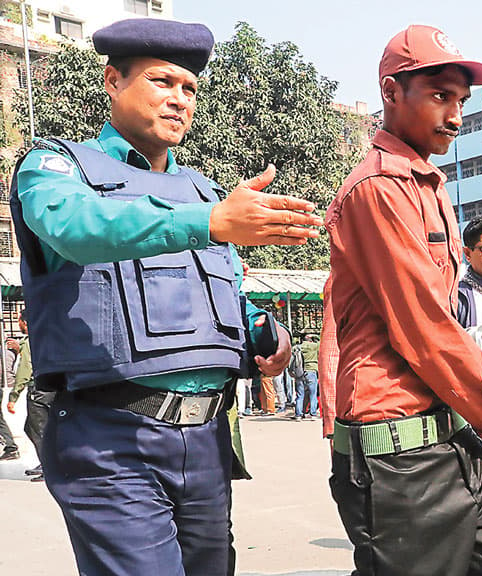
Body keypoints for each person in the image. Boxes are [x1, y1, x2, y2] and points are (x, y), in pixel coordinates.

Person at [9, 18, 318, 574]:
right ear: (112, 81)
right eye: (161, 81)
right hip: (109, 438)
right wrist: (214, 220)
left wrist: (265, 334)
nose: (179, 99)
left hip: (205, 442)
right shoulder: (57, 168)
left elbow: (222, 294)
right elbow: (80, 228)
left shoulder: (202, 193)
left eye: (189, 88)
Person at [322, 25, 482, 575]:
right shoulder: (377, 190)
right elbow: (424, 327)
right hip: (399, 457)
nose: (456, 116)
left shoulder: (427, 184)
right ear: (391, 93)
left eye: (462, 101)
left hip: (453, 439)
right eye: (441, 96)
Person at [6, 310, 48, 480]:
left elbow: (24, 371)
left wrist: (13, 397)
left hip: (37, 390)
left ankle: (49, 468)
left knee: (39, 430)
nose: (18, 325)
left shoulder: (30, 342)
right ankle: (47, 463)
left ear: (25, 322)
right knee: (33, 428)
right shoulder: (44, 338)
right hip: (49, 389)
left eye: (19, 321)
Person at [295, 334, 320, 419]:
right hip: (311, 371)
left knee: (300, 395)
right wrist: (315, 336)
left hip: (299, 372)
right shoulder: (314, 346)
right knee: (313, 394)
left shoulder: (297, 347)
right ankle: (312, 414)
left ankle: (298, 414)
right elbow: (321, 341)